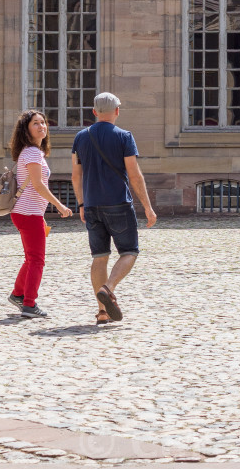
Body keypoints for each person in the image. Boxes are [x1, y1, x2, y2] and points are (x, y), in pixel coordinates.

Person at [71, 91, 157, 325]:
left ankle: (102, 312)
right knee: (129, 251)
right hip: (118, 203)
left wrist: (80, 203)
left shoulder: (81, 137)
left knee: (100, 258)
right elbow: (134, 175)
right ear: (117, 111)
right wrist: (148, 207)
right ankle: (108, 288)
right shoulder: (124, 136)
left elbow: (76, 175)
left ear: (94, 112)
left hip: (91, 205)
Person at [8, 109, 73, 317]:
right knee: (37, 260)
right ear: (26, 129)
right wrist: (60, 206)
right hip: (27, 213)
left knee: (31, 258)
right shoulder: (32, 153)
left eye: (43, 122)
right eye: (36, 123)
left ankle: (18, 294)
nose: (41, 126)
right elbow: (37, 185)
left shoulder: (32, 152)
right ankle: (29, 304)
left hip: (29, 212)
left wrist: (42, 212)